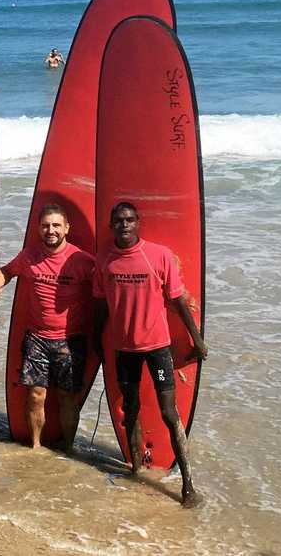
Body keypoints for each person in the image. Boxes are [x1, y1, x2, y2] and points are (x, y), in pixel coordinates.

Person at [92, 202, 208, 508]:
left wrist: (196, 338)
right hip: (124, 350)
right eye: (118, 221)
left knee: (169, 414)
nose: (124, 225)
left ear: (138, 223)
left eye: (129, 220)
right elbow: (101, 307)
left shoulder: (158, 255)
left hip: (158, 348)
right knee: (130, 410)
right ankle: (136, 471)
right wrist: (96, 343)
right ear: (111, 225)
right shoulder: (104, 261)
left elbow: (178, 301)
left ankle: (187, 485)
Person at [0, 203, 95, 450]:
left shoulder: (81, 260)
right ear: (38, 228)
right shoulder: (29, 256)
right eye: (45, 225)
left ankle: (68, 448)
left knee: (67, 399)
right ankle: (35, 448)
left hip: (70, 340)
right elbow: (7, 272)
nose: (50, 230)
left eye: (55, 225)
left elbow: (105, 285)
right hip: (37, 339)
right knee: (35, 396)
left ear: (66, 228)